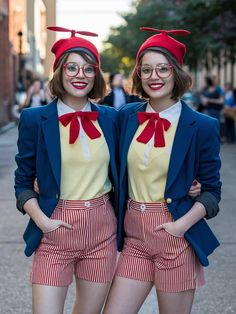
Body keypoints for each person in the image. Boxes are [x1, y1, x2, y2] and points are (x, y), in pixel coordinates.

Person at [103, 27, 221, 314]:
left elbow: (212, 193)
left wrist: (179, 227)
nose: (154, 76)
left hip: (175, 234)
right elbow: (93, 150)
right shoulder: (126, 117)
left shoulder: (202, 126)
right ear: (139, 76)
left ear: (175, 72)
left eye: (162, 69)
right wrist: (41, 178)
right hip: (134, 238)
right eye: (146, 70)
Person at [14, 26, 119, 314]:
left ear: (96, 74)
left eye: (88, 68)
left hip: (102, 229)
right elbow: (22, 181)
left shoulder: (111, 118)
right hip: (54, 228)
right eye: (71, 67)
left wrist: (190, 182)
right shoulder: (35, 119)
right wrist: (43, 221)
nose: (80, 75)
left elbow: (141, 160)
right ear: (59, 72)